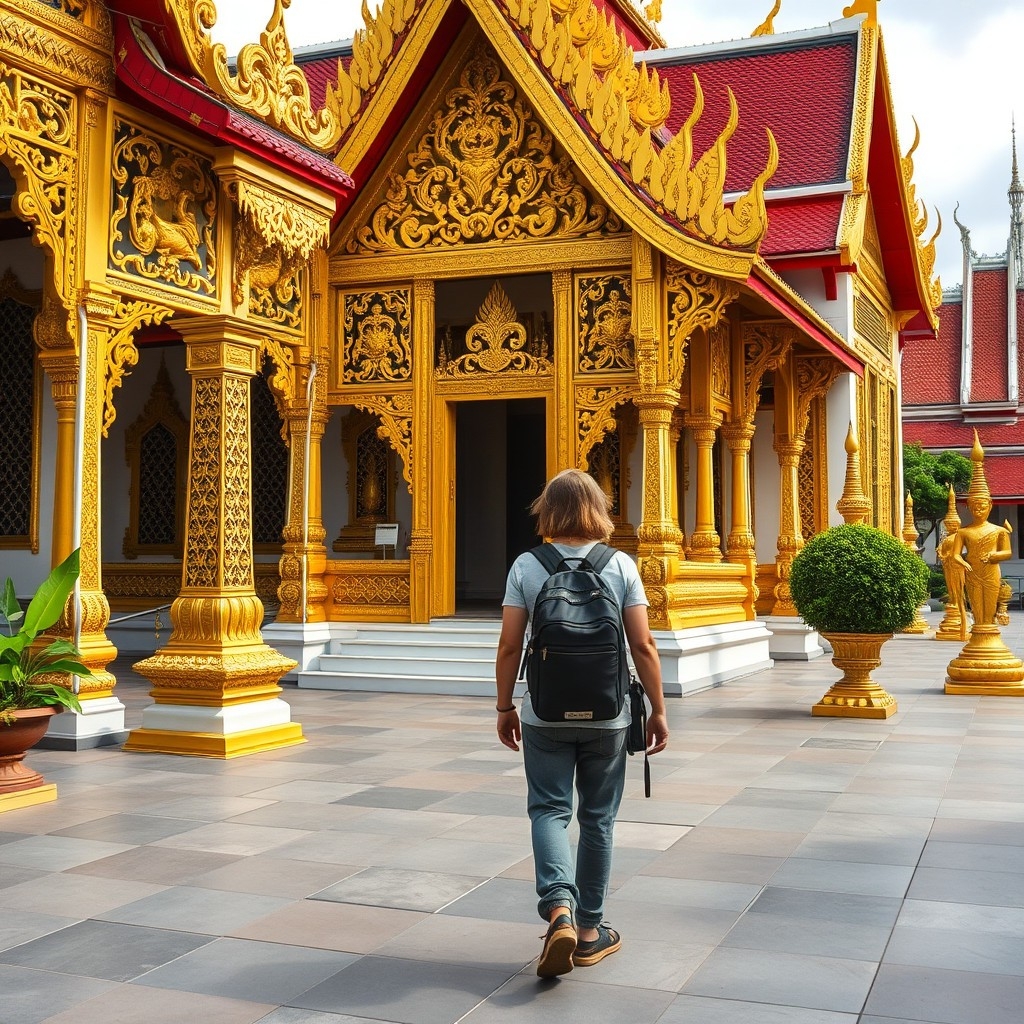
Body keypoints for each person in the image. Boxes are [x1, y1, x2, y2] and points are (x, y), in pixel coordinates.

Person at [494, 468, 669, 978]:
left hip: (545, 712)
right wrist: (658, 710)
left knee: (549, 811)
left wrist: (505, 706)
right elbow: (643, 645)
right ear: (599, 509)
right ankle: (590, 933)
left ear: (546, 510)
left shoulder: (527, 565)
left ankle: (559, 911)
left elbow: (509, 645)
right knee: (598, 819)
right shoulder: (620, 565)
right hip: (608, 714)